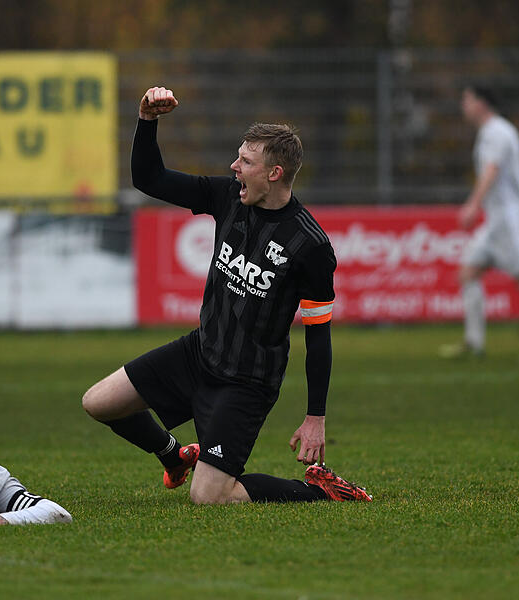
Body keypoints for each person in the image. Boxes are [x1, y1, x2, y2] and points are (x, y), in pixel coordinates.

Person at [82, 86, 371, 505]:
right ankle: (174, 456)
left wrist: (315, 418)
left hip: (246, 383)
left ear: (273, 174)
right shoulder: (226, 197)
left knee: (210, 498)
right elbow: (149, 179)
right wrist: (148, 120)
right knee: (98, 402)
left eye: (246, 161)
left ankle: (319, 491)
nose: (234, 166)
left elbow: (318, 336)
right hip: (198, 354)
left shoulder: (310, 246)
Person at [440, 85, 519, 363]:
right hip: (497, 219)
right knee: (468, 272)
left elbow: (492, 169)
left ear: (482, 103)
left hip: (509, 217)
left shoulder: (496, 132)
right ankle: (474, 343)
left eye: (467, 99)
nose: (463, 105)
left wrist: (472, 205)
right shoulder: (493, 132)